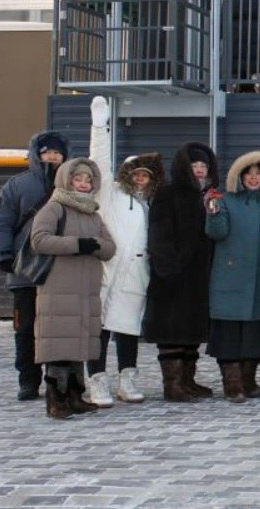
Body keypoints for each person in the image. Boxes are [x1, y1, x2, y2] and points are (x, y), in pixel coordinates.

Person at [85, 97, 163, 406]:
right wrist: (100, 126)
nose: (140, 179)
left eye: (145, 175)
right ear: (126, 176)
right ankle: (97, 380)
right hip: (108, 270)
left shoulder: (152, 203)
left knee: (128, 328)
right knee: (100, 329)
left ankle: (127, 377)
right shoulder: (110, 194)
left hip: (135, 275)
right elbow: (98, 161)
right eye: (135, 174)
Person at [29, 158, 117, 418]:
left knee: (79, 345)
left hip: (86, 292)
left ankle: (76, 396)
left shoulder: (92, 213)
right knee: (59, 346)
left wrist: (95, 246)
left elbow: (110, 248)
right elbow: (39, 240)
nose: (83, 184)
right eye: (78, 179)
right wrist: (79, 244)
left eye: (88, 180)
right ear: (67, 180)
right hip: (59, 289)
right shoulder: (54, 208)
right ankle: (56, 401)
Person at [0, 129, 68, 401]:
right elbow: (1, 221)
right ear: (37, 154)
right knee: (25, 329)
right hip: (25, 269)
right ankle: (28, 380)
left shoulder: (71, 184)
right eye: (47, 152)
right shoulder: (16, 185)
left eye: (57, 152)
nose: (52, 156)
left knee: (57, 328)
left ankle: (55, 378)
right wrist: (3, 254)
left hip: (60, 271)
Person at [144, 142, 219, 403]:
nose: (199, 170)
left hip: (198, 277)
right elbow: (158, 236)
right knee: (172, 332)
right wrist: (169, 270)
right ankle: (172, 384)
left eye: (203, 166)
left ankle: (188, 379)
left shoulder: (210, 196)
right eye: (194, 165)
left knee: (190, 332)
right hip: (172, 278)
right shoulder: (168, 194)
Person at [204, 151, 260, 403]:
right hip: (230, 275)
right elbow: (216, 233)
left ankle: (249, 379)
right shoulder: (225, 199)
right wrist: (213, 212)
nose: (254, 179)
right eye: (249, 175)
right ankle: (232, 383)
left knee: (253, 332)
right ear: (239, 176)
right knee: (229, 330)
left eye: (258, 174)